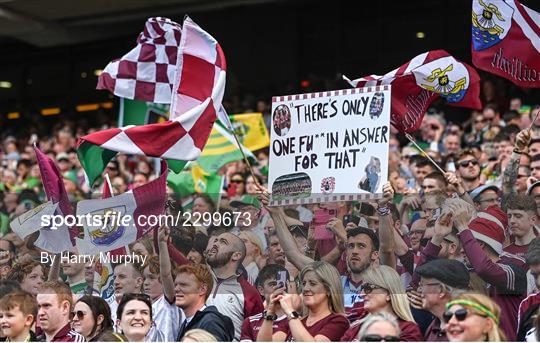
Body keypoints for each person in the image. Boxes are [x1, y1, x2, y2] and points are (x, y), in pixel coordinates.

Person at [258, 261, 349, 342]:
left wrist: (290, 310)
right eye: (304, 284)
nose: (305, 289)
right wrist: (270, 312)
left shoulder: (339, 321)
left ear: (329, 290)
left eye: (312, 284)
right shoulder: (296, 321)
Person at [204, 232, 264, 340]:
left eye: (223, 242)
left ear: (236, 255)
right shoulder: (199, 281)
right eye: (216, 240)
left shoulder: (250, 293)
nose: (215, 244)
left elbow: (257, 335)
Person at [341, 265, 422, 341]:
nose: (361, 294)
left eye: (367, 288)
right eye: (362, 288)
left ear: (389, 294)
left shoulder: (409, 330)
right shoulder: (357, 325)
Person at [173, 264, 234, 341]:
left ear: (202, 289)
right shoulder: (187, 323)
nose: (176, 289)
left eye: (183, 285)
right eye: (175, 285)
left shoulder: (211, 323)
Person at [415, 259, 470, 341]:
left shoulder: (466, 330)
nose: (419, 290)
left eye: (423, 285)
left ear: (441, 290)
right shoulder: (436, 324)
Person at [240, 264, 291, 342]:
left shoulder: (296, 321)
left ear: (288, 286)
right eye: (272, 284)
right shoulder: (250, 322)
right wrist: (270, 310)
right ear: (261, 290)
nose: (277, 288)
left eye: (281, 284)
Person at [504, 194, 538, 259]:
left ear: (533, 220)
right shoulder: (504, 253)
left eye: (518, 216)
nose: (512, 221)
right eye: (509, 216)